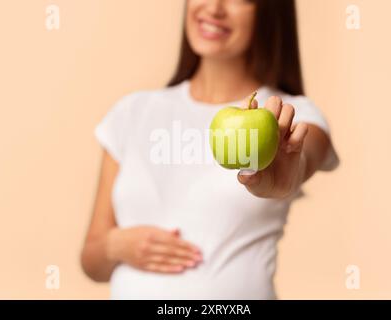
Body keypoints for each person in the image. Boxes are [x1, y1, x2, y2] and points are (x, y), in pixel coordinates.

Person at [81, 0, 339, 299]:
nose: (214, 8)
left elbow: (303, 155)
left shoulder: (290, 116)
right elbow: (91, 261)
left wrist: (283, 180)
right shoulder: (132, 112)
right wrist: (116, 246)